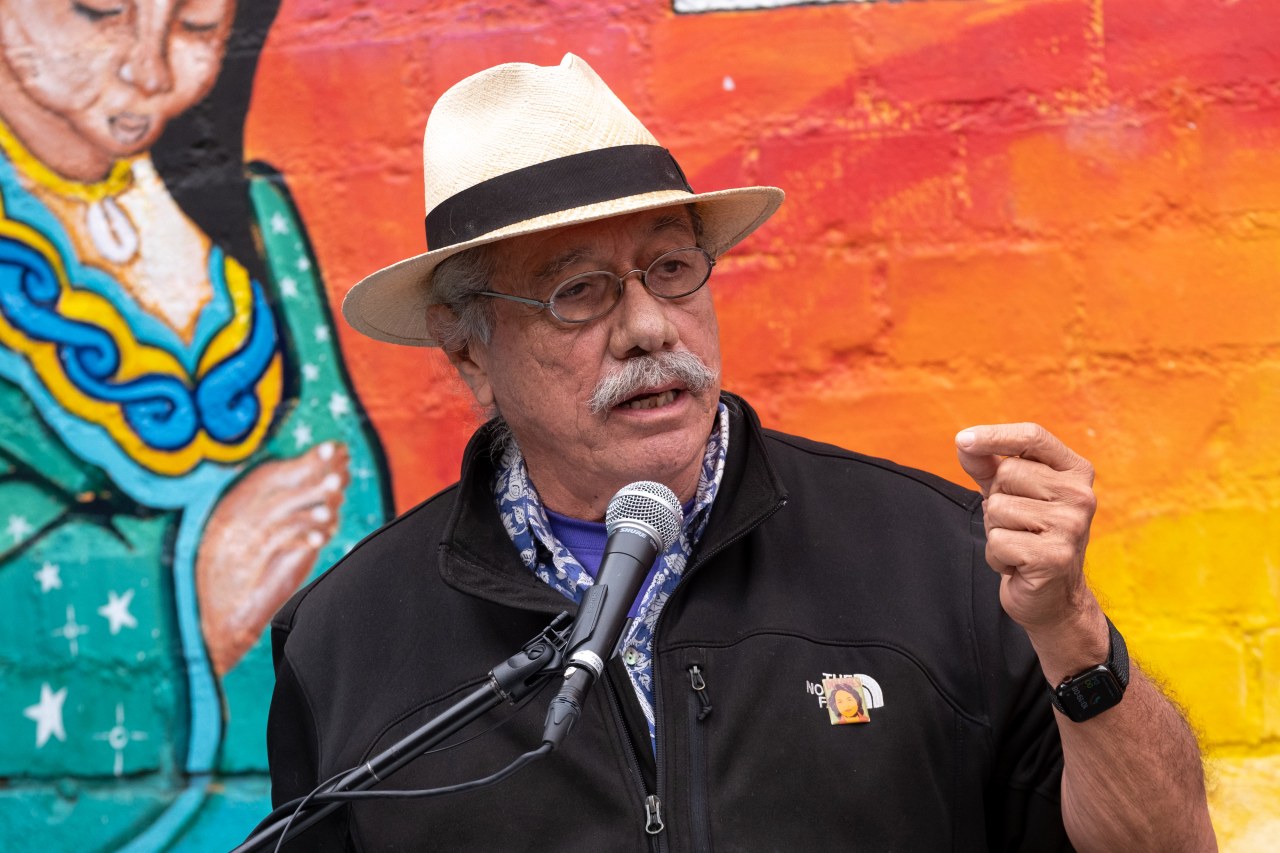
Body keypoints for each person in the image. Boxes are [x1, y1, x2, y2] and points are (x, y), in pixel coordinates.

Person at [265, 54, 1215, 851]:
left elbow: (1170, 845)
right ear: (470, 348)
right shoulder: (347, 642)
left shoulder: (942, 558)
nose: (647, 327)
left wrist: (1075, 635)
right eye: (579, 292)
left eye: (671, 269)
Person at [0, 1, 389, 848]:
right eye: (98, 9)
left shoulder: (262, 226)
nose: (149, 68)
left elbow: (356, 519)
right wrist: (193, 598)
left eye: (199, 27)